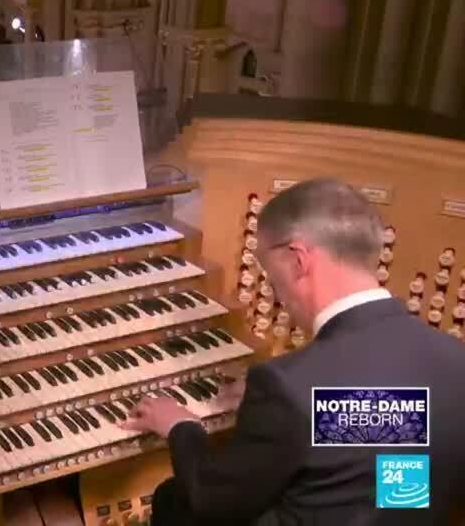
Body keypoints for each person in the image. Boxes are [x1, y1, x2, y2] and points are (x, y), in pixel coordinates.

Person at [124, 178, 465, 525]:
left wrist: (182, 425)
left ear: (298, 260)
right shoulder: (454, 359)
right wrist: (286, 418)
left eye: (271, 277)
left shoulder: (288, 386)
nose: (277, 293)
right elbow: (393, 430)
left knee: (173, 499)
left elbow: (211, 501)